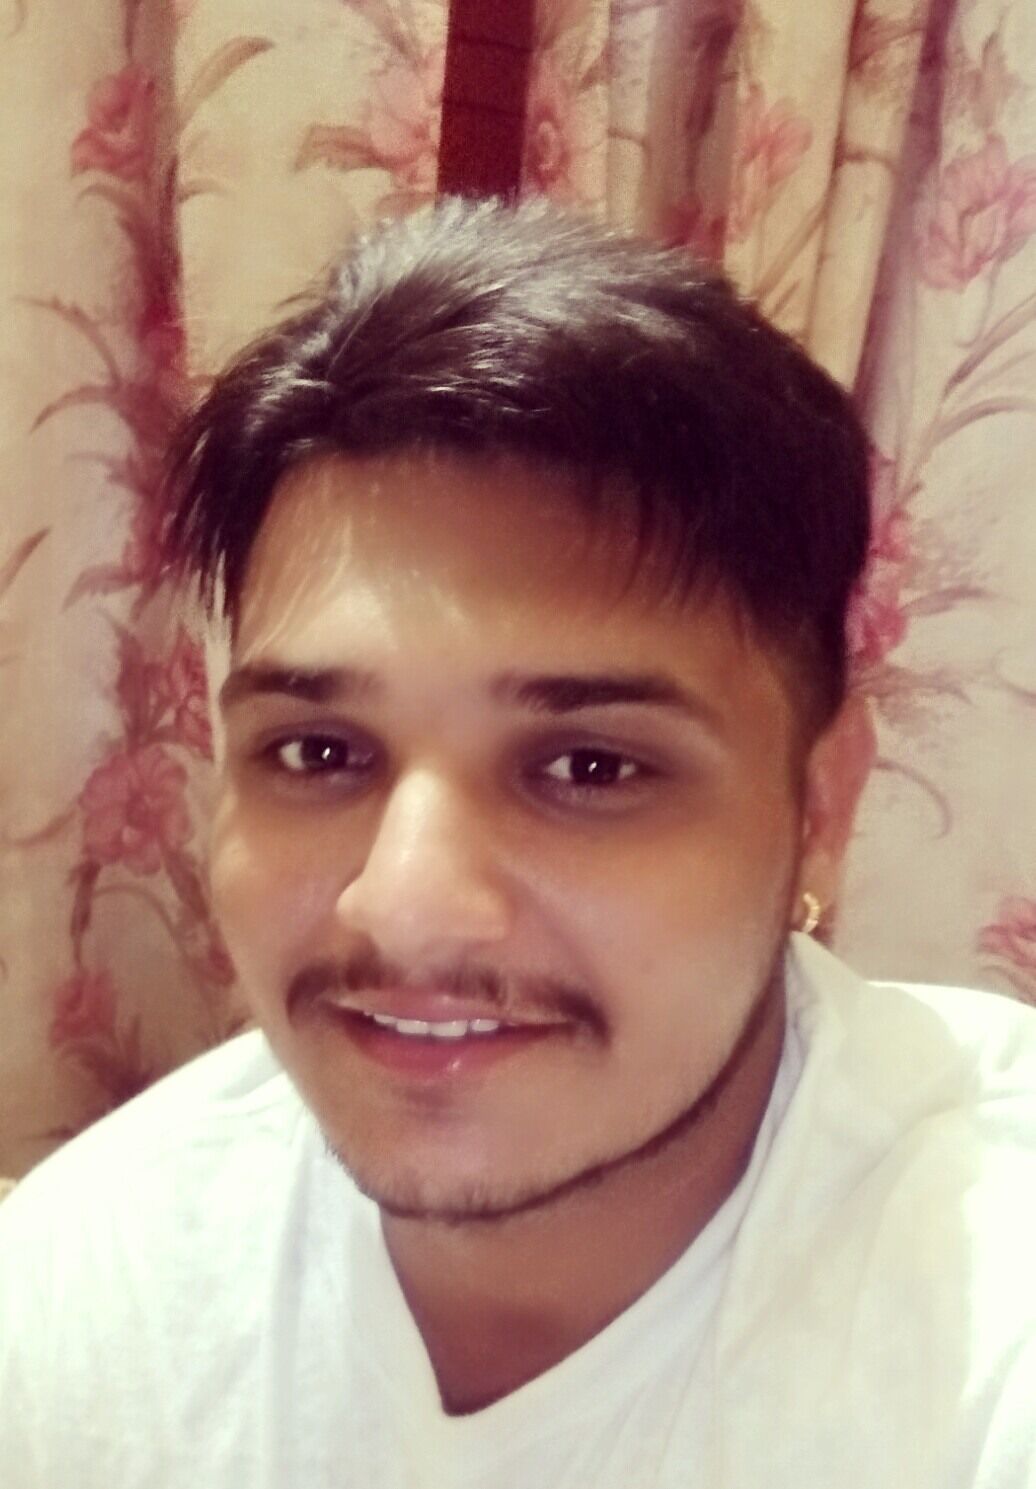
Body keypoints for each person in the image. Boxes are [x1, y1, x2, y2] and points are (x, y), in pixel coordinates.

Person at [1, 197, 1034, 1489]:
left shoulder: (989, 1329)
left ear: (819, 806)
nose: (407, 906)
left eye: (590, 766)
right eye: (318, 753)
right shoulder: (90, 1292)